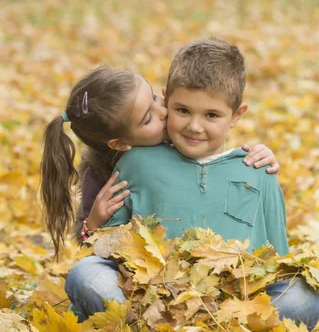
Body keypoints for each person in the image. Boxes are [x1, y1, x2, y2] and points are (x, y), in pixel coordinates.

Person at [65, 40, 319, 330]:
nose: (194, 126)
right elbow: (108, 248)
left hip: (234, 304)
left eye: (211, 115)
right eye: (182, 110)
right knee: (86, 274)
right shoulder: (136, 161)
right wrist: (93, 226)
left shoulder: (258, 170)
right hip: (151, 303)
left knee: (302, 295)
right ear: (166, 100)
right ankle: (149, 331)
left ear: (236, 116)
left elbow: (279, 261)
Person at [40, 65, 277, 260]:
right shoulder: (103, 176)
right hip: (136, 268)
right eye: (147, 118)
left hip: (202, 255)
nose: (163, 112)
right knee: (87, 276)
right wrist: (92, 223)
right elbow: (91, 248)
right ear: (120, 144)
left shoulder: (181, 137)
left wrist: (258, 155)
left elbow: (216, 159)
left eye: (154, 98)